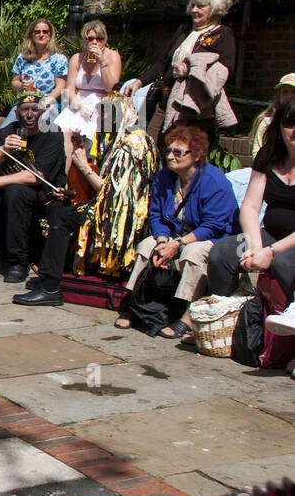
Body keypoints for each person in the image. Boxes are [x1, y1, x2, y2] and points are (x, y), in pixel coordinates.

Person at [14, 98, 158, 305]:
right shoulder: (119, 139)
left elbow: (114, 194)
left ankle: (51, 286)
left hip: (122, 217)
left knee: (62, 218)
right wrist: (73, 194)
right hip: (110, 206)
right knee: (59, 209)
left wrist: (83, 166)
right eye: (101, 113)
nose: (101, 118)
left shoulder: (131, 145)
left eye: (107, 114)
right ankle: (50, 276)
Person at [119, 123, 239, 337]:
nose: (171, 156)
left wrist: (178, 244)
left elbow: (213, 226)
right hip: (176, 234)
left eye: (178, 152)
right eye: (168, 151)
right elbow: (156, 213)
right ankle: (134, 304)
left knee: (193, 254)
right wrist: (163, 241)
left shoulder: (214, 181)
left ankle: (187, 315)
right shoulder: (166, 176)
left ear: (197, 155)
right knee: (147, 246)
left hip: (211, 237)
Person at [207, 98, 295, 335]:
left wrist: (271, 252)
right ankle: (223, 323)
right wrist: (256, 247)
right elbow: (250, 207)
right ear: (279, 126)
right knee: (223, 253)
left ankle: (281, 342)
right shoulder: (269, 157)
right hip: (268, 236)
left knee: (284, 264)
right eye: (290, 123)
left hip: (290, 244)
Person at [0, 86, 67, 283]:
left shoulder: (52, 133)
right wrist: (2, 149)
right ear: (16, 112)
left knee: (15, 192)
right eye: (25, 109)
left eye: (35, 109)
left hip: (43, 193)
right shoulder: (9, 131)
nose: (30, 114)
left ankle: (18, 261)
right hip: (11, 187)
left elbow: (36, 177)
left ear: (42, 111)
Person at [122, 0, 236, 140]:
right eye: (193, 5)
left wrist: (189, 72)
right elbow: (163, 62)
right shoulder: (185, 29)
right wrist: (139, 82)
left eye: (201, 6)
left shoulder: (222, 34)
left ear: (215, 9)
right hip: (166, 100)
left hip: (193, 106)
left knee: (183, 152)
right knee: (151, 146)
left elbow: (225, 70)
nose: (194, 10)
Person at [54, 19, 121, 145]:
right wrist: (79, 106)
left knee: (87, 138)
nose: (95, 42)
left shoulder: (112, 56)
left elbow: (111, 88)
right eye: (90, 39)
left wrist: (101, 61)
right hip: (79, 103)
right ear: (84, 40)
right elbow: (69, 89)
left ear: (105, 39)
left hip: (100, 105)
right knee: (62, 133)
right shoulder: (77, 58)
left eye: (99, 38)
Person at [248, 73, 295, 159]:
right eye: (285, 92)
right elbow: (257, 152)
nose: (289, 96)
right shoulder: (268, 123)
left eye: (294, 92)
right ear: (279, 96)